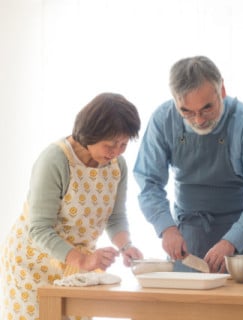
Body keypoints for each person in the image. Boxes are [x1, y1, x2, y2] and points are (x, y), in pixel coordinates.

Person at [0, 92, 143, 320]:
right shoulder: (55, 160)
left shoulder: (117, 166)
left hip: (76, 267)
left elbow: (115, 218)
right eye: (110, 145)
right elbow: (39, 228)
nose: (116, 152)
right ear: (90, 134)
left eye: (124, 144)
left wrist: (126, 246)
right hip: (32, 263)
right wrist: (84, 260)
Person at [133, 55, 243, 273]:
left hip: (240, 240)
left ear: (222, 91)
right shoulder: (163, 120)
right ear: (175, 101)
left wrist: (231, 241)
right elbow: (148, 183)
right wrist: (167, 229)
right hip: (186, 237)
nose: (199, 120)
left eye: (207, 108)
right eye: (187, 112)